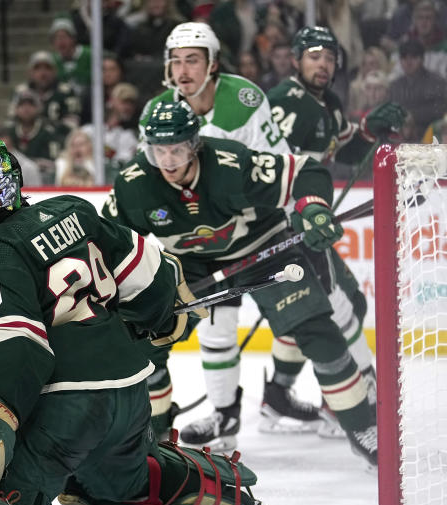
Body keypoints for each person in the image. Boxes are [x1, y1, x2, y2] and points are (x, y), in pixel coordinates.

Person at [0, 139, 281, 505]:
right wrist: (163, 314)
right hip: (131, 395)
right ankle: (196, 484)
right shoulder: (71, 212)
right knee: (112, 477)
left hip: (68, 410)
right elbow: (148, 274)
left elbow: (12, 355)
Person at [102, 99, 379, 467]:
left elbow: (305, 171)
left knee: (317, 330)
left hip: (264, 250)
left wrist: (313, 206)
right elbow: (107, 240)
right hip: (193, 266)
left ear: (195, 144)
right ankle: (154, 440)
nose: (168, 161)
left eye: (178, 149)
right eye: (159, 151)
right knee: (145, 341)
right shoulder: (133, 185)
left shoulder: (232, 164)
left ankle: (363, 427)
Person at [137, 22, 327, 447]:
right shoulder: (159, 111)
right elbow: (150, 179)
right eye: (176, 61)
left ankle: (288, 393)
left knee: (298, 314)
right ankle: (225, 415)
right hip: (202, 240)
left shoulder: (243, 99)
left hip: (258, 230)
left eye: (193, 60)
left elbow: (276, 163)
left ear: (213, 64)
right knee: (216, 326)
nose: (183, 71)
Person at [267, 26, 407, 435]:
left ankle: (278, 396)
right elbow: (268, 166)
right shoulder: (286, 103)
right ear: (296, 60)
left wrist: (367, 128)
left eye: (330, 58)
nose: (323, 64)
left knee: (323, 309)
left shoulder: (326, 103)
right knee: (337, 306)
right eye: (314, 56)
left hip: (305, 221)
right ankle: (355, 397)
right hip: (284, 226)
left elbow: (341, 149)